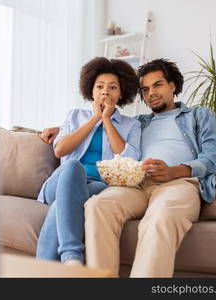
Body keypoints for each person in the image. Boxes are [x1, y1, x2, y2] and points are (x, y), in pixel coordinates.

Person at [40, 58, 216, 276]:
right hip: (135, 184)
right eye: (145, 89)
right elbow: (104, 124)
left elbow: (215, 157)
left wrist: (174, 171)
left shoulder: (199, 115)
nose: (151, 93)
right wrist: (58, 128)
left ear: (172, 86)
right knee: (97, 207)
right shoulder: (139, 122)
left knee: (160, 218)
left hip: (177, 182)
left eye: (157, 85)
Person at [36, 57, 142, 266]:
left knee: (62, 205)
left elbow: (129, 159)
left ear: (121, 93)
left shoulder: (132, 125)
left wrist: (106, 120)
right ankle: (72, 255)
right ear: (91, 90)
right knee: (73, 167)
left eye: (112, 87)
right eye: (100, 87)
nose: (105, 92)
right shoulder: (75, 116)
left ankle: (47, 272)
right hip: (60, 182)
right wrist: (94, 119)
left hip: (98, 187)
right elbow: (60, 149)